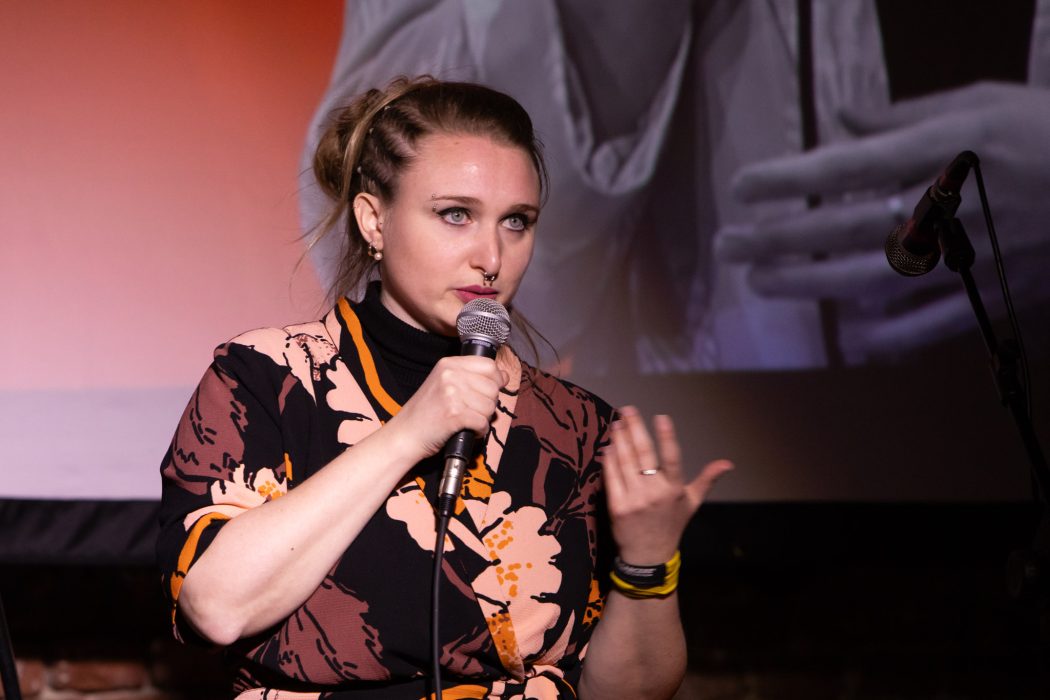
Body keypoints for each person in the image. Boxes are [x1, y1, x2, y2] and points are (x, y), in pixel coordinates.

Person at [157, 76, 733, 699]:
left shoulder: (577, 426)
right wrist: (408, 434)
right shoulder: (267, 378)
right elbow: (217, 609)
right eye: (456, 215)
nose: (492, 256)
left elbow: (628, 694)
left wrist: (648, 563)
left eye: (517, 222)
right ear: (374, 221)